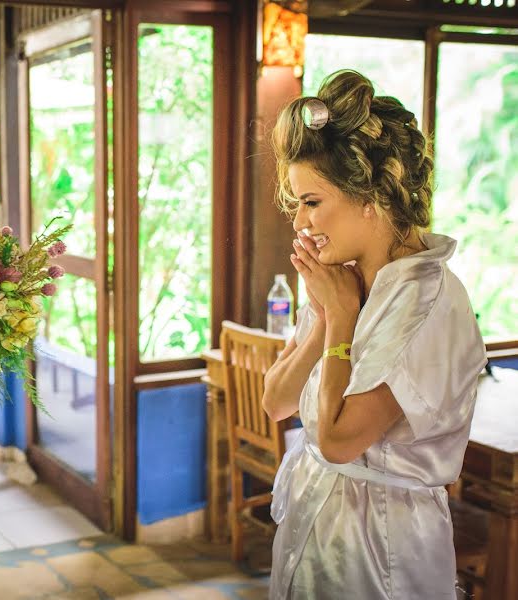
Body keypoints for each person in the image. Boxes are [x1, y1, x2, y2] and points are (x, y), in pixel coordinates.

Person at [262, 70, 487, 599]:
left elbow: (339, 442)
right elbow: (274, 401)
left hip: (381, 546)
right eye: (297, 205)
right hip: (314, 523)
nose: (301, 225)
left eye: (312, 202)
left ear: (372, 196)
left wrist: (340, 320)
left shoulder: (427, 303)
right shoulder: (340, 275)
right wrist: (324, 315)